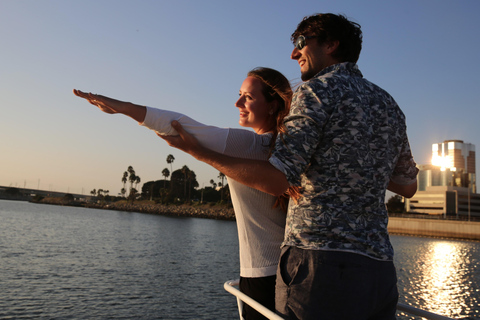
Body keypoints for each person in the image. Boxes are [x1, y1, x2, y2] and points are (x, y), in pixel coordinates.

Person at [160, 13, 419, 319]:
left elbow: (278, 180)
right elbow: (407, 186)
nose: (293, 53)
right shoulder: (388, 105)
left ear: (332, 44)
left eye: (300, 43)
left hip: (319, 265)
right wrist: (356, 159)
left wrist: (198, 151)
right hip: (379, 271)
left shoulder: (317, 91)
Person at [73, 67, 293, 320]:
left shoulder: (250, 144)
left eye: (249, 97)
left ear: (273, 105)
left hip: (263, 273)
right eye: (239, 94)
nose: (237, 102)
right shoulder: (285, 148)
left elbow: (179, 125)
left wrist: (124, 108)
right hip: (285, 270)